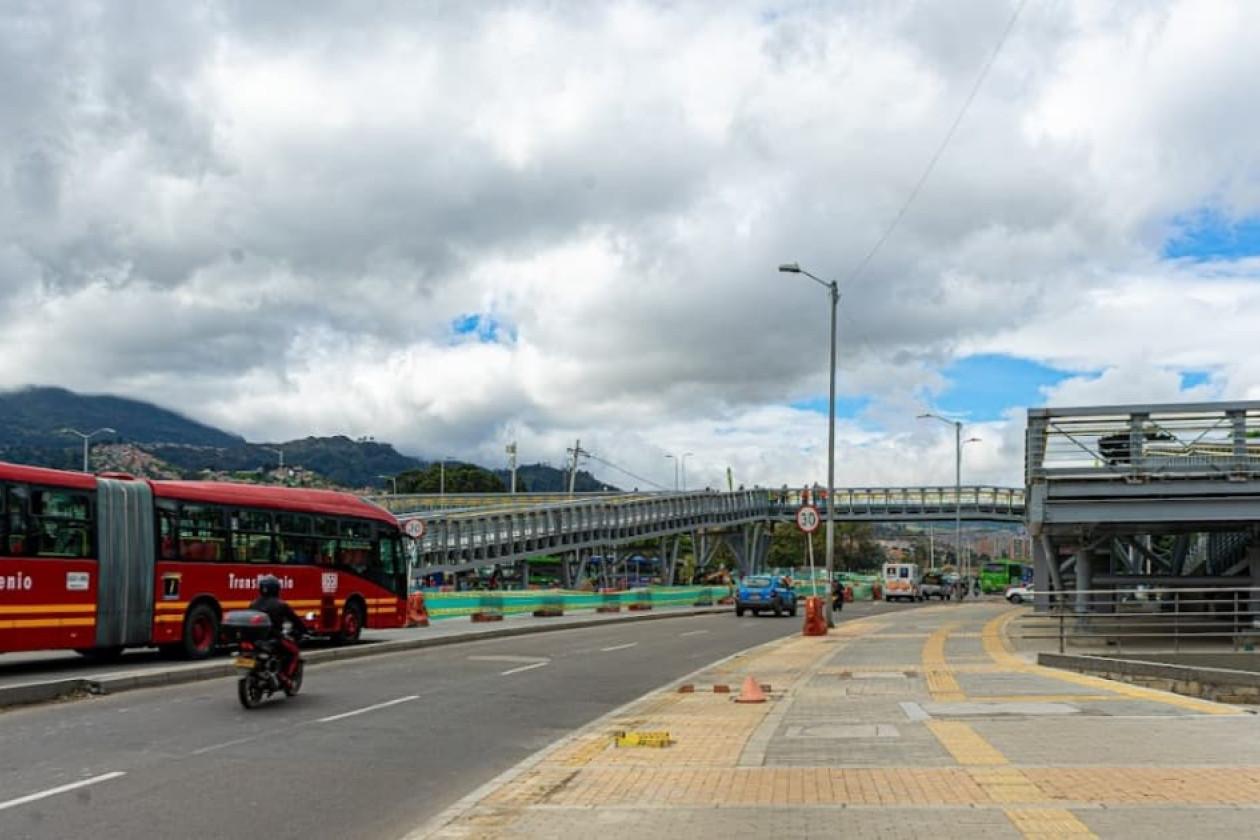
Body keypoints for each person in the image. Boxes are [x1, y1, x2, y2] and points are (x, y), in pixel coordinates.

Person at [249, 575, 307, 684]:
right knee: (294, 652)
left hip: (255, 639)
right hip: (274, 638)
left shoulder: (253, 603)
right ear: (276, 589)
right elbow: (295, 620)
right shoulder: (281, 604)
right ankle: (285, 677)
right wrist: (304, 631)